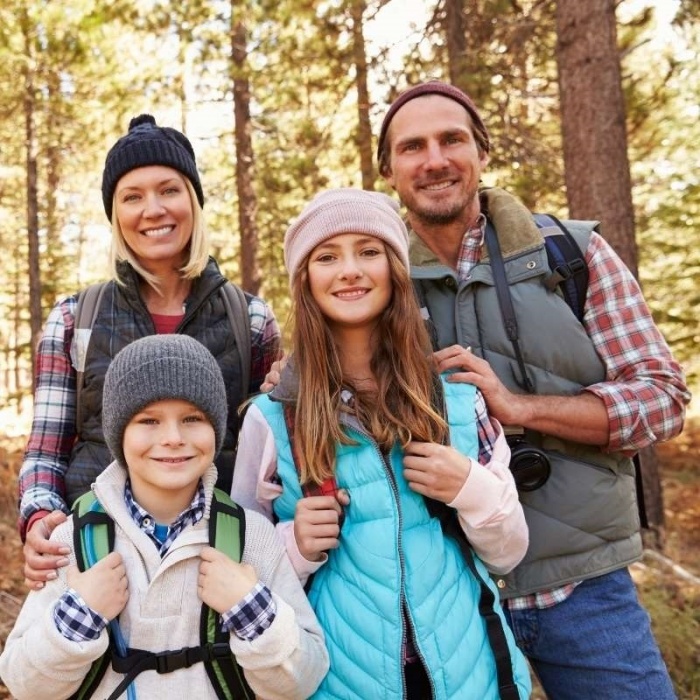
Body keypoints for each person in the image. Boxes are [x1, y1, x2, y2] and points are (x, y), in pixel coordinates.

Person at [376, 80, 692, 699]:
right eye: (412, 146)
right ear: (388, 169)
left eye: (452, 139)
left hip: (581, 587)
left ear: (483, 153)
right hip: (443, 596)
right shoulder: (371, 272)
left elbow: (660, 398)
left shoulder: (571, 253)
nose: (434, 159)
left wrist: (520, 407)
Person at [232, 188, 532, 700]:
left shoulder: (457, 401)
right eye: (327, 256)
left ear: (396, 268)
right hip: (335, 681)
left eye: (368, 251)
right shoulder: (273, 417)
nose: (349, 270)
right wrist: (295, 546)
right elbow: (241, 567)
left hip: (469, 676)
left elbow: (508, 553)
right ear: (305, 281)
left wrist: (470, 488)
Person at [19, 113, 281, 589]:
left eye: (169, 190)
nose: (153, 209)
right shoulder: (77, 318)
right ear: (115, 214)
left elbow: (269, 454)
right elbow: (46, 452)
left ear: (194, 201)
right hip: (100, 559)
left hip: (214, 563)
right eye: (132, 197)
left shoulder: (251, 320)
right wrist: (41, 517)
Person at [0, 334, 328, 700]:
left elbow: (304, 679)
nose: (173, 437)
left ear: (216, 430)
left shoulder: (251, 537)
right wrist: (80, 614)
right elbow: (24, 683)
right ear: (118, 432)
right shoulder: (74, 540)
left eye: (192, 418)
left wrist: (251, 607)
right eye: (149, 420)